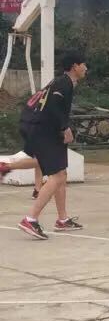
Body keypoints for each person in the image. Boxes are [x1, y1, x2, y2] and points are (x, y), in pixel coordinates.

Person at [0, 51, 87, 240]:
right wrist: (65, 127)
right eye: (83, 64)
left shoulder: (60, 82)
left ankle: (62, 220)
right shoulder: (64, 83)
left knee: (60, 172)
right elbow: (54, 104)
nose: (86, 68)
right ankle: (30, 219)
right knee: (57, 176)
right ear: (75, 66)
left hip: (40, 128)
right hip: (43, 130)